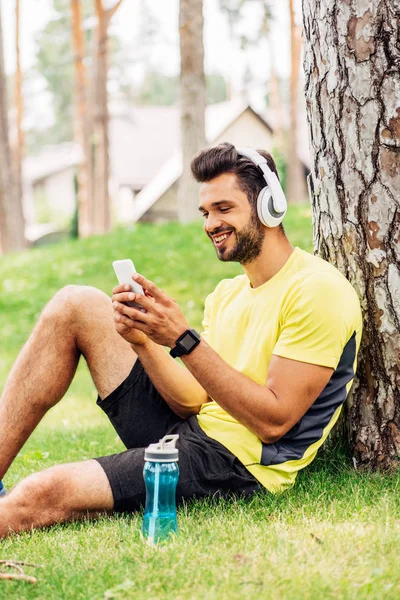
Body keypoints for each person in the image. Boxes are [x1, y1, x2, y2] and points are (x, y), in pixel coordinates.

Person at [0, 143, 362, 537]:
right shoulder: (227, 294)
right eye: (206, 213)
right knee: (77, 303)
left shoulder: (317, 290)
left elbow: (273, 423)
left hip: (239, 465)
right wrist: (144, 341)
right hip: (191, 433)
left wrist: (182, 339)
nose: (211, 224)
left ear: (269, 206)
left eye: (224, 209)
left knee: (43, 491)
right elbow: (192, 401)